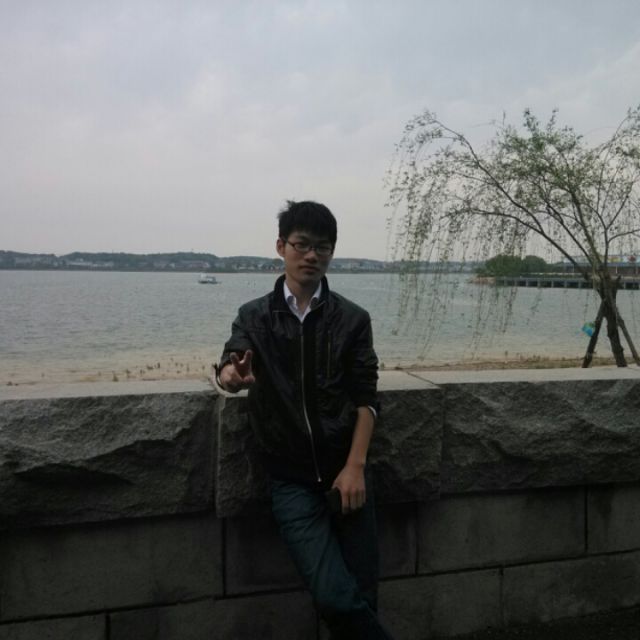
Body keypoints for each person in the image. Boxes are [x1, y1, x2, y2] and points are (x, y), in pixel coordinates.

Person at [214, 200, 394, 639]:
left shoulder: (352, 319)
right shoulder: (255, 316)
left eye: (323, 247)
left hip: (346, 472)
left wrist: (354, 467)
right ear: (282, 247)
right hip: (291, 481)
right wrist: (232, 375)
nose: (312, 255)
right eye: (302, 245)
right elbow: (231, 363)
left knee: (362, 595)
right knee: (335, 597)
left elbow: (366, 398)